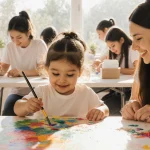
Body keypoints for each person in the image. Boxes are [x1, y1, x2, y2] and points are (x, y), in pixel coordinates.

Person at [14, 32, 109, 121]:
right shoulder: (42, 92)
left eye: (70, 75)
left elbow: (105, 108)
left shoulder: (85, 92)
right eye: (56, 74)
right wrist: (26, 106)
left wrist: (101, 111)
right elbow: (17, 108)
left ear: (80, 72)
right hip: (45, 138)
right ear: (47, 69)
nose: (62, 80)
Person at [0, 11, 48, 116]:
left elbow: (43, 70)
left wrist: (21, 72)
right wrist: (1, 70)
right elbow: (3, 68)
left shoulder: (39, 45)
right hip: (17, 92)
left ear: (28, 32)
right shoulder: (9, 47)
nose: (15, 42)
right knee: (7, 114)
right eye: (12, 37)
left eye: (19, 37)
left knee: (38, 118)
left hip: (37, 92)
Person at [121, 1, 150, 123]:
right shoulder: (143, 65)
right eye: (132, 39)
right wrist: (132, 105)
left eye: (138, 38)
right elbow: (135, 98)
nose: (133, 47)